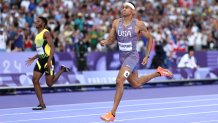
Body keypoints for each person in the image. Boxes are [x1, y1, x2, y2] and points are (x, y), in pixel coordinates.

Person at [99, 2, 173, 122]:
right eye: (123, 7)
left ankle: (112, 113)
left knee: (119, 81)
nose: (124, 9)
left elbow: (150, 38)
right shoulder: (116, 23)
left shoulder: (138, 24)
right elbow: (111, 40)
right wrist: (105, 42)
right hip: (122, 58)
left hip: (132, 57)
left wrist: (147, 55)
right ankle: (158, 72)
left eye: (127, 7)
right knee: (136, 84)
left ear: (133, 11)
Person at [26, 16, 70, 110]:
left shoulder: (45, 33)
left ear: (43, 24)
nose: (36, 22)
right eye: (36, 21)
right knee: (35, 80)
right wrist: (33, 58)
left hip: (48, 60)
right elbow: (41, 51)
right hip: (40, 60)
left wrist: (49, 60)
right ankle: (42, 104)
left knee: (49, 84)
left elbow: (52, 47)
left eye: (38, 21)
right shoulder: (37, 35)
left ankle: (61, 70)